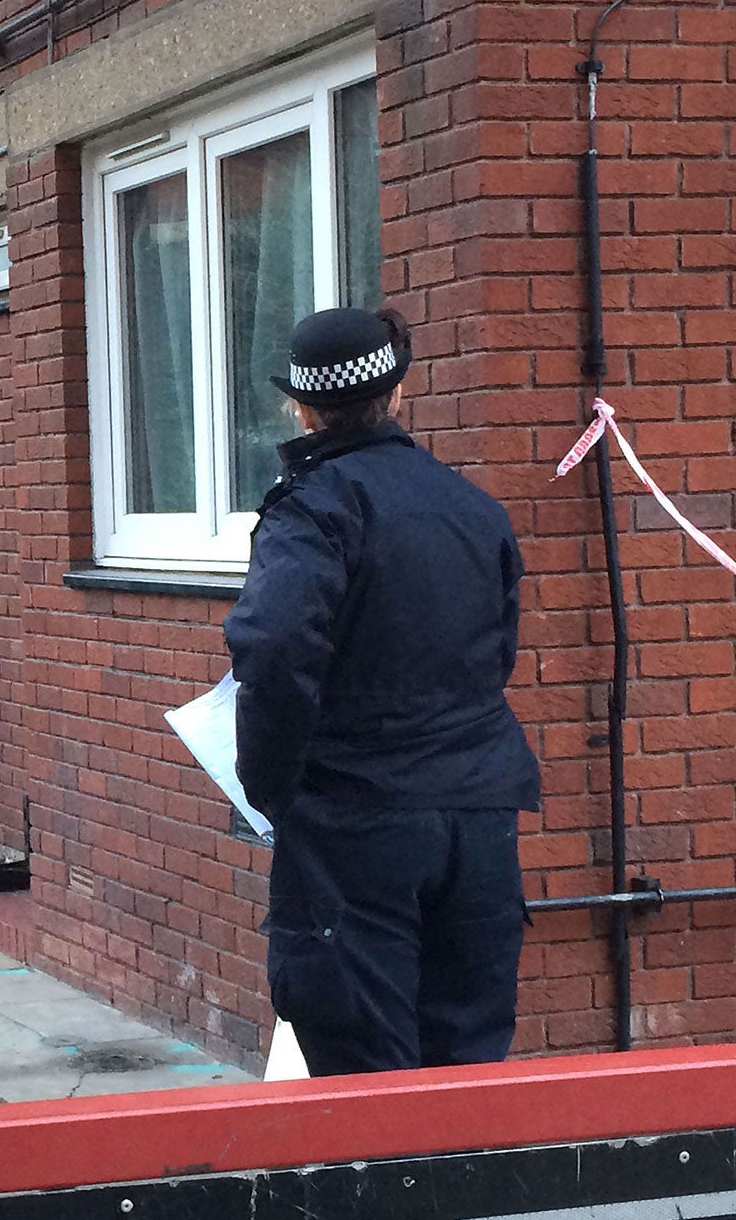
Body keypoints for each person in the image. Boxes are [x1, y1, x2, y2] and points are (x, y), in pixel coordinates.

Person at [225, 307, 540, 1077]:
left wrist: (271, 786)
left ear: (301, 408)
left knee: (369, 1080)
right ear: (398, 394)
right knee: (466, 1067)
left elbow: (271, 648)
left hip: (356, 828)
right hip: (479, 820)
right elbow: (495, 653)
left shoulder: (314, 509)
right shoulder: (474, 508)